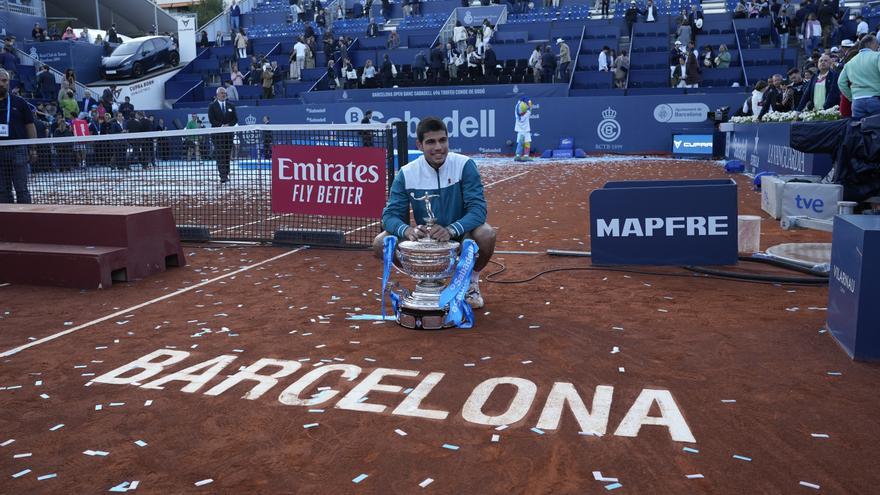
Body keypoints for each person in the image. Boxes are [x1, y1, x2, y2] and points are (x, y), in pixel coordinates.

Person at [372, 117, 496, 309]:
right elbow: (389, 216)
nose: (438, 147)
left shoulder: (465, 165)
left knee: (486, 234)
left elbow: (478, 211)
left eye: (442, 140)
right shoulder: (407, 173)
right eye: (431, 142)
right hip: (427, 243)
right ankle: (425, 281)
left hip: (462, 236)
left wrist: (452, 230)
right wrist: (407, 231)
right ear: (419, 145)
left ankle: (471, 281)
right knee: (381, 242)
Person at [0, 69, 36, 203]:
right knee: (2, 191)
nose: (1, 84)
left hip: (18, 150)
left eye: (4, 80)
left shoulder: (20, 102)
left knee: (22, 189)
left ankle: (27, 220)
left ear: (9, 82)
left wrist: (33, 148)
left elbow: (30, 125)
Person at [838, 35, 880, 119]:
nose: (878, 46)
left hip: (857, 102)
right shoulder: (877, 56)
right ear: (872, 44)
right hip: (875, 99)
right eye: (877, 44)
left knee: (858, 130)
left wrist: (851, 97)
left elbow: (840, 82)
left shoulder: (850, 62)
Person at [208, 86, 238, 183]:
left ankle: (226, 173)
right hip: (217, 136)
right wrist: (221, 126)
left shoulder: (231, 105)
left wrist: (228, 125)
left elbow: (235, 119)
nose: (224, 94)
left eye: (225, 93)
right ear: (217, 95)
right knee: (220, 155)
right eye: (222, 93)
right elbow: (212, 120)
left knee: (226, 155)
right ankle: (223, 176)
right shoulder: (212, 106)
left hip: (229, 135)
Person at [513, 97, 533, 161]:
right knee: (527, 143)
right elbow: (530, 106)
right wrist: (528, 101)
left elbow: (517, 105)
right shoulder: (528, 113)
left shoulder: (516, 113)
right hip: (526, 131)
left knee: (520, 143)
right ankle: (526, 156)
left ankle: (518, 155)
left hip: (519, 131)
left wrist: (521, 101)